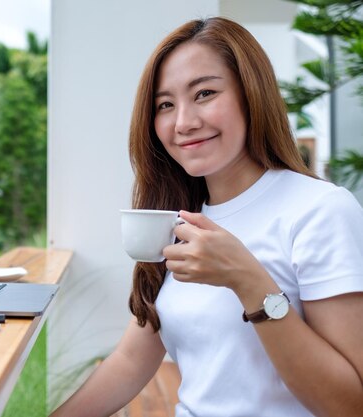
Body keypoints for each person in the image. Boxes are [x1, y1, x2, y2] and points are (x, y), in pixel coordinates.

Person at [50, 16, 363, 417]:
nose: (183, 123)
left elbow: (350, 405)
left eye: (204, 94)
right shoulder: (178, 218)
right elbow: (131, 361)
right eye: (165, 105)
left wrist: (248, 281)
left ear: (252, 94)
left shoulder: (320, 210)